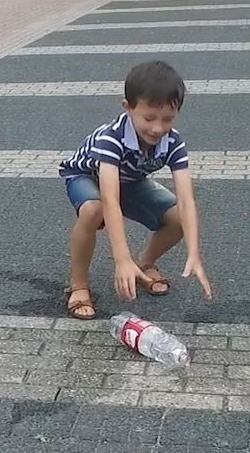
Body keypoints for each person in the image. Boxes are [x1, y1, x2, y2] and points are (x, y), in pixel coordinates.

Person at [58, 61, 212, 320]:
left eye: (167, 119)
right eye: (149, 118)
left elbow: (187, 201)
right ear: (128, 108)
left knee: (177, 217)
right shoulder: (111, 138)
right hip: (87, 176)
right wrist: (121, 259)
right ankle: (79, 285)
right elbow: (110, 199)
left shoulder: (173, 141)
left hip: (129, 180)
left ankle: (145, 265)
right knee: (94, 210)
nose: (157, 128)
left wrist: (194, 252)